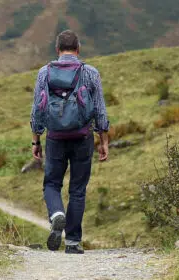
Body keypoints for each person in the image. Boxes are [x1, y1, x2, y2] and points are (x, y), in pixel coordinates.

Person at [30, 30, 109, 254]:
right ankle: (73, 242)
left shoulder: (44, 73)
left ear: (57, 49)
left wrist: (36, 140)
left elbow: (37, 109)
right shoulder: (90, 72)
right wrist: (103, 140)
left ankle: (56, 213)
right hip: (82, 136)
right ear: (78, 48)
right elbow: (100, 110)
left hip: (55, 137)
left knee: (52, 183)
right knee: (78, 189)